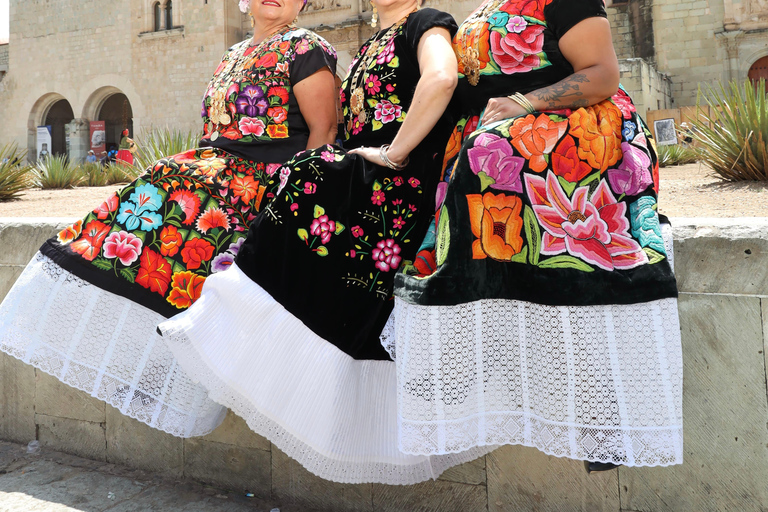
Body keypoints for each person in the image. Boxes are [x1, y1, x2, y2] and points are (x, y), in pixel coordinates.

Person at [158, 0, 484, 484]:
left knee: (303, 176)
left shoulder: (425, 22)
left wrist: (394, 153)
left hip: (399, 178)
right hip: (369, 173)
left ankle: (230, 327)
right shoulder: (370, 44)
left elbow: (440, 79)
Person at [0, 0, 338, 438]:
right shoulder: (233, 54)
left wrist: (292, 199)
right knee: (151, 215)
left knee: (169, 190)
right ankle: (144, 363)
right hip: (218, 176)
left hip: (267, 183)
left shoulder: (308, 48)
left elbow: (324, 132)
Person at [388, 0, 682, 472]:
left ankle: (591, 407)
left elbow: (603, 74)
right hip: (496, 137)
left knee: (490, 156)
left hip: (571, 129)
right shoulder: (483, 7)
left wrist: (526, 103)